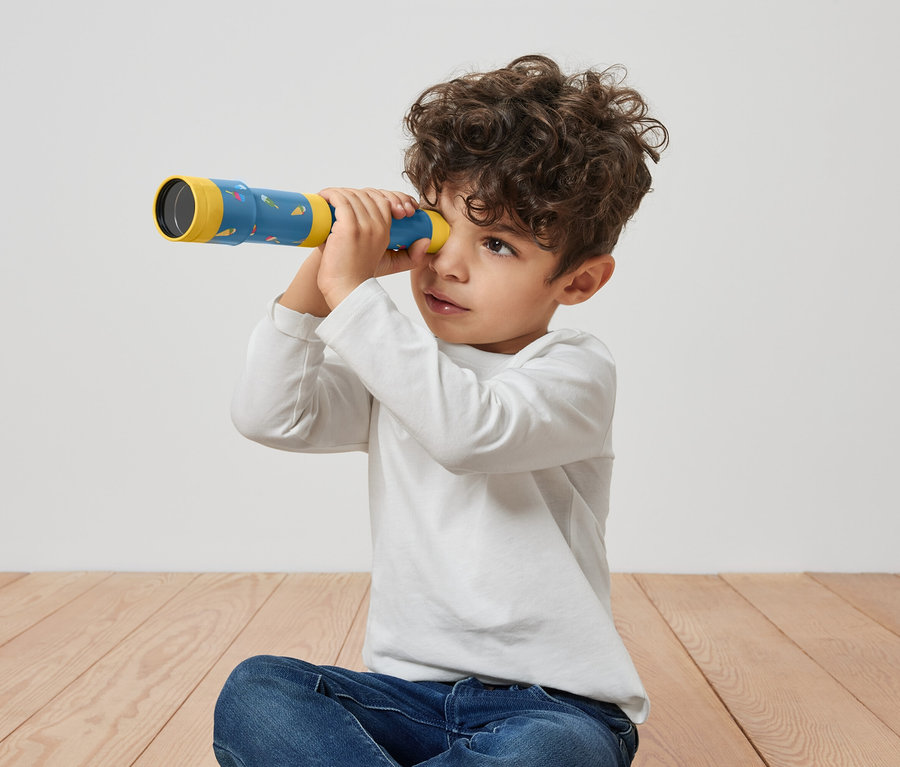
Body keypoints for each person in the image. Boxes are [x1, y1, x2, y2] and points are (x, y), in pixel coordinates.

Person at [213, 54, 668, 767]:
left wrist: (355, 296)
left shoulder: (573, 370)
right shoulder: (395, 364)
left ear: (579, 280)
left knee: (555, 753)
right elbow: (272, 414)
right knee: (258, 692)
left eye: (495, 243)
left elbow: (469, 430)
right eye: (438, 224)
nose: (447, 263)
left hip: (550, 705)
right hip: (406, 695)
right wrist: (319, 273)